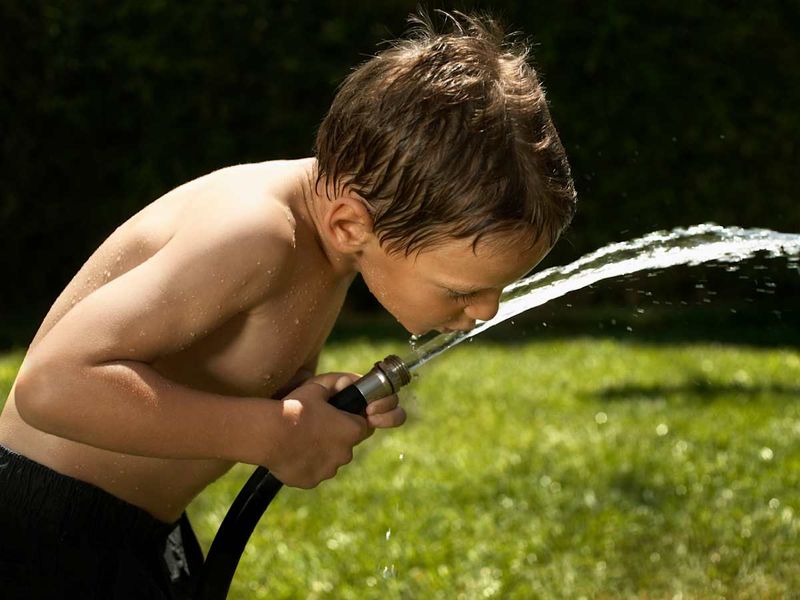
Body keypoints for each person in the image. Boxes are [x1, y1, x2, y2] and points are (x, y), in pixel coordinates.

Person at [0, 10, 576, 599]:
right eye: (461, 290)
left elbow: (221, 369)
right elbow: (52, 386)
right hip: (42, 532)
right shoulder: (255, 234)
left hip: (137, 529)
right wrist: (268, 433)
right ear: (353, 222)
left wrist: (301, 404)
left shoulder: (331, 244)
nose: (485, 311)